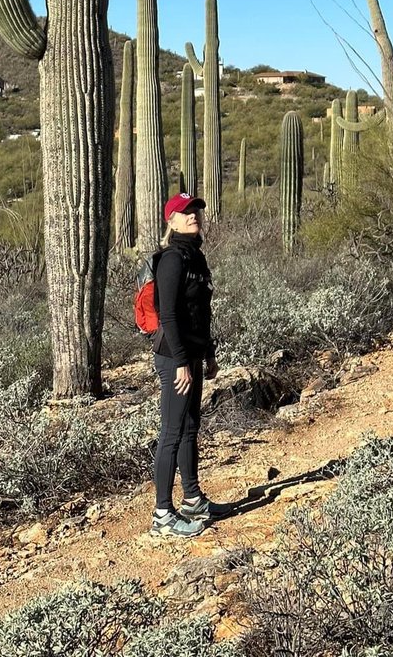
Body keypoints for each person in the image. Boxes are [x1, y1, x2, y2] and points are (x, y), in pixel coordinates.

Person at [150, 191, 227, 538]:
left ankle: (193, 498)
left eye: (195, 209)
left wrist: (208, 353)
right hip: (173, 356)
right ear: (172, 220)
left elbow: (202, 313)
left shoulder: (195, 257)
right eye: (186, 211)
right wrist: (182, 361)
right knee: (170, 432)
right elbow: (168, 314)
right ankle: (162, 514)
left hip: (193, 354)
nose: (194, 214)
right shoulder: (172, 259)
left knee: (190, 427)